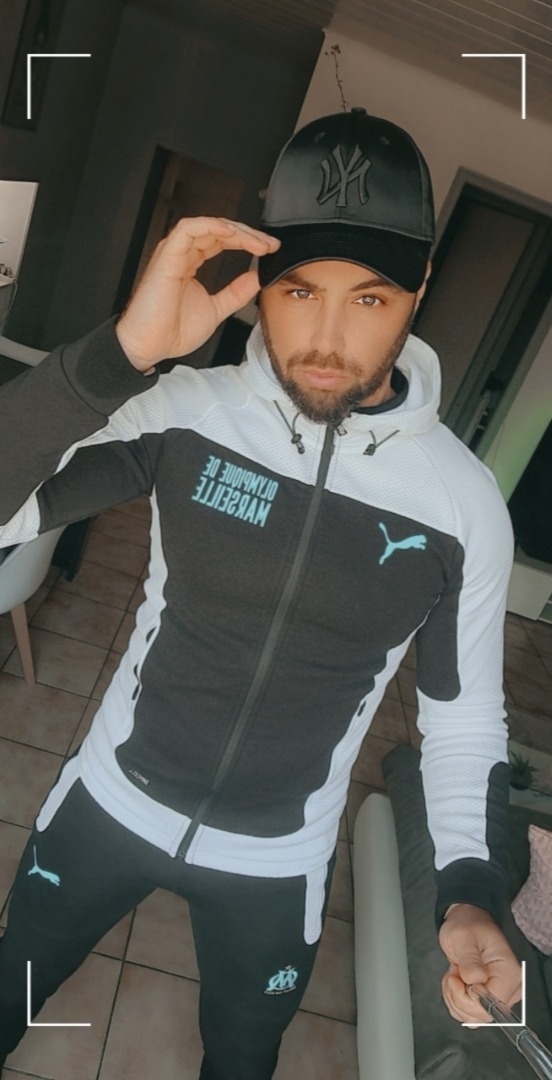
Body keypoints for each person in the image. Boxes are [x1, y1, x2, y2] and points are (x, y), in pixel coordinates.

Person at [0, 108, 521, 1078]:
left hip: (274, 865)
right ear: (259, 284)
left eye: (369, 298)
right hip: (111, 805)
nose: (326, 337)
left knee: (241, 1063)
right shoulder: (183, 414)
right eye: (299, 290)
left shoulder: (463, 506)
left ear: (418, 290)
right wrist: (122, 353)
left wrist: (469, 892)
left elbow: (461, 724)